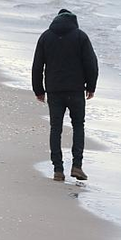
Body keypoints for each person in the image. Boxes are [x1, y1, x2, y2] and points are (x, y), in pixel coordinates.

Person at [32, 9, 99, 182]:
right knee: (78, 126)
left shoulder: (46, 37)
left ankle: (58, 170)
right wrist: (91, 86)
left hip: (54, 90)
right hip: (76, 90)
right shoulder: (80, 37)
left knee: (56, 128)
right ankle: (77, 166)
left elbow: (37, 66)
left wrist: (38, 90)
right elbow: (91, 63)